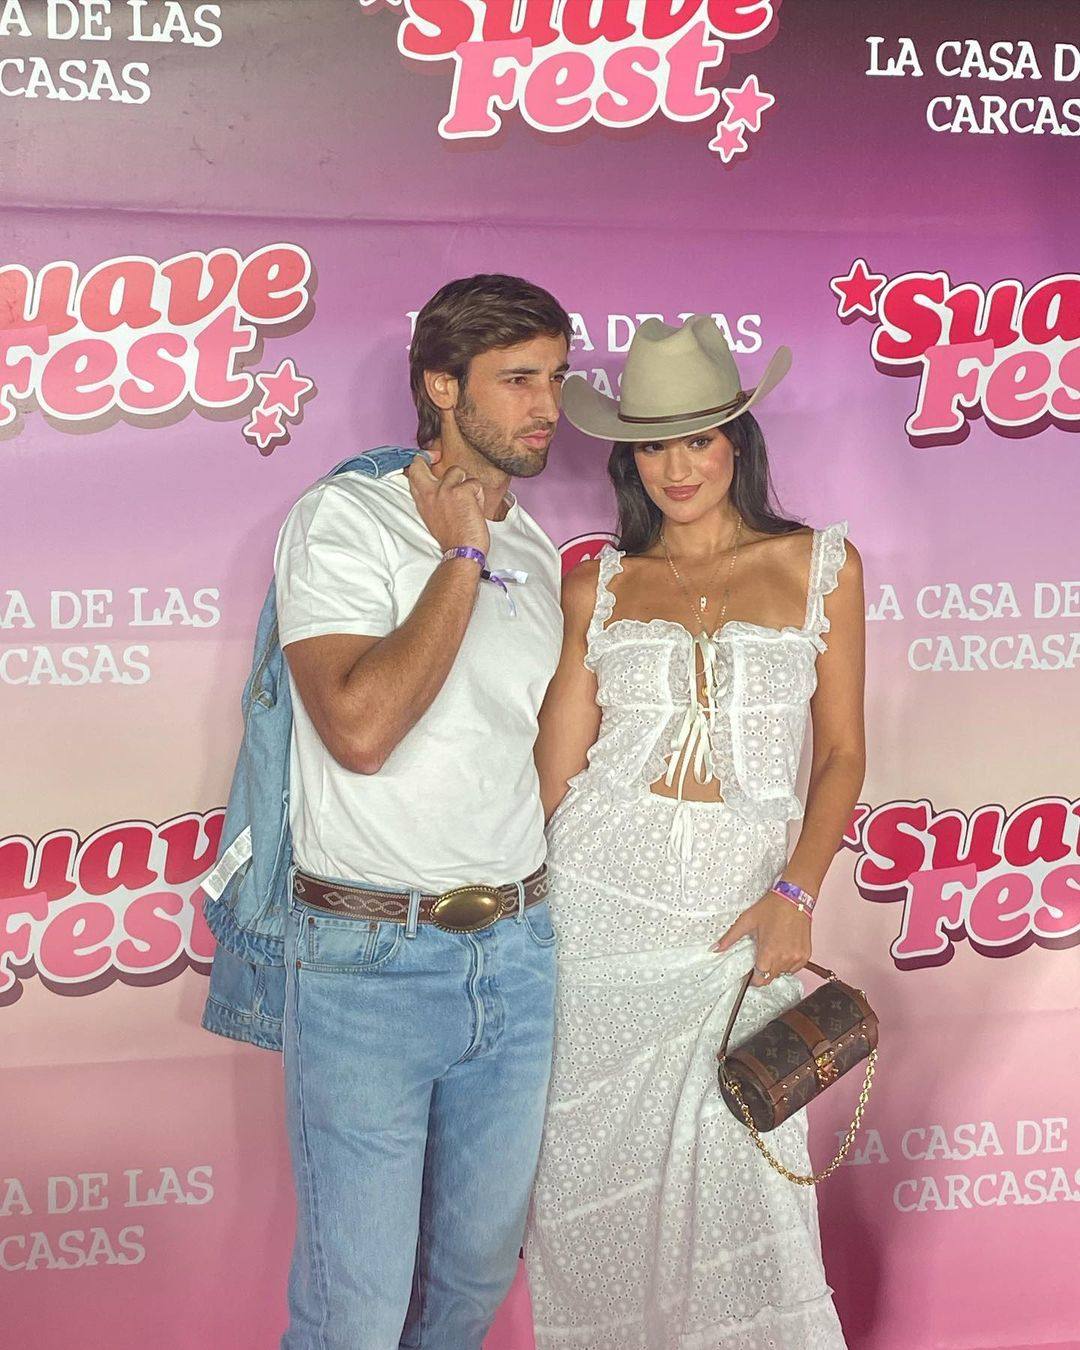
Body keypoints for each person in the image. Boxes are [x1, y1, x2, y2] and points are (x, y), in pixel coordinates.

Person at [525, 315, 865, 1348]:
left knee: (749, 1186)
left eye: (698, 438)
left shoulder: (823, 567)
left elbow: (844, 754)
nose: (676, 466)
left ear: (738, 444)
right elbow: (554, 773)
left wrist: (797, 894)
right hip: (599, 912)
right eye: (653, 444)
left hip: (742, 916)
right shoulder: (598, 584)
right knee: (594, 1189)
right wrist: (513, 919)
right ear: (629, 455)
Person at [274, 274, 571, 1349]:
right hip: (368, 959)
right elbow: (359, 726)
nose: (548, 406)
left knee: (471, 1287)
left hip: (518, 953)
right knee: (354, 1310)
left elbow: (529, 756)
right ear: (442, 386)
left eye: (558, 377)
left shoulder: (537, 551)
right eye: (519, 380)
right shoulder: (341, 521)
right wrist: (460, 555)